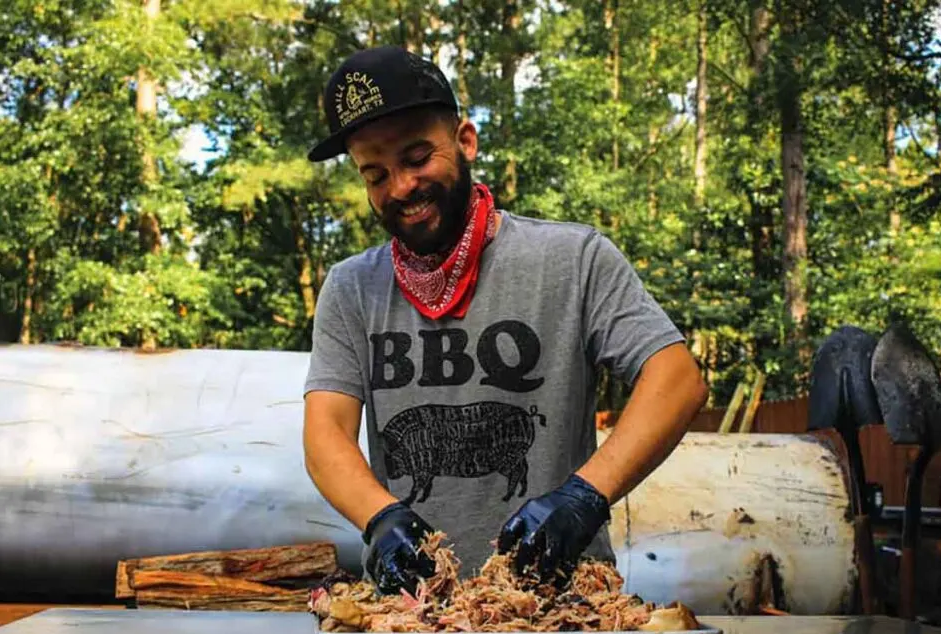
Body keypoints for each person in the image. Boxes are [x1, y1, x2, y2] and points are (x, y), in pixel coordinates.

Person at [302, 45, 709, 596]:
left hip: (564, 600)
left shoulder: (573, 259)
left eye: (418, 157)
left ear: (465, 141)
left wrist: (584, 497)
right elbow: (326, 432)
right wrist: (381, 518)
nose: (400, 187)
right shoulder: (352, 289)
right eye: (375, 174)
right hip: (409, 607)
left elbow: (677, 379)